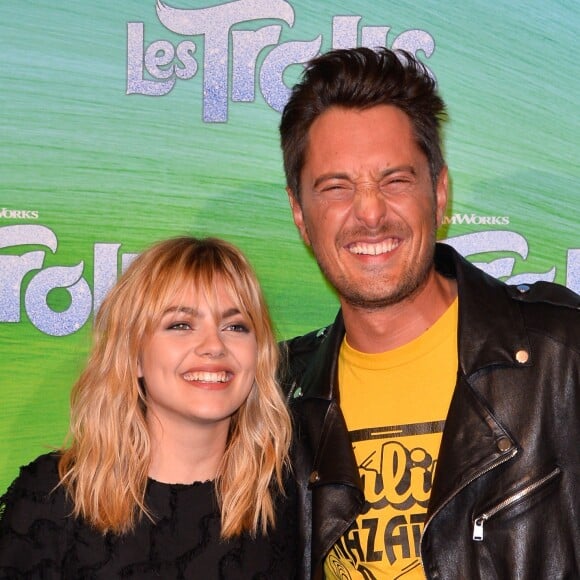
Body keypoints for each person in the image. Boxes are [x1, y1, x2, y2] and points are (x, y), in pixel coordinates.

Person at [279, 47, 580, 579]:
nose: (370, 213)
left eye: (395, 180)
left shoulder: (561, 356)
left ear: (440, 194)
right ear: (300, 215)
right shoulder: (277, 398)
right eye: (337, 187)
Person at [0, 236, 297, 579]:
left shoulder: (291, 500)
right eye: (181, 325)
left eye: (235, 326)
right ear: (134, 355)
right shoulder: (53, 499)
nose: (214, 346)